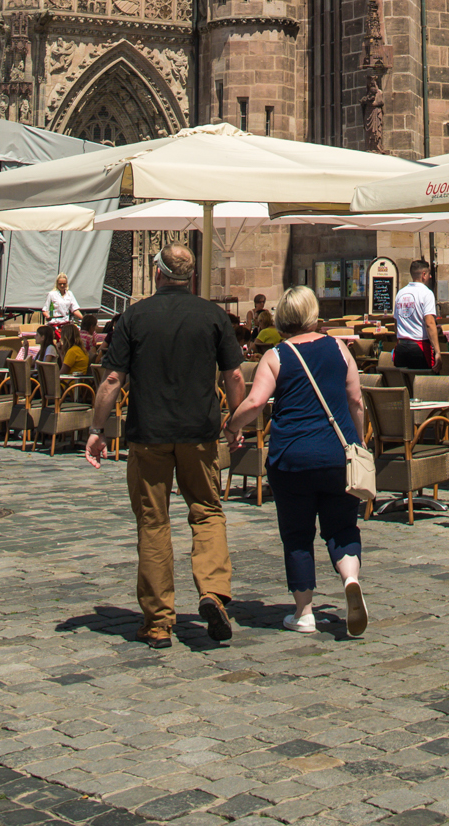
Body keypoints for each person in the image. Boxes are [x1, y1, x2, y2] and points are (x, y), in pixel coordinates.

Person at [86, 243, 245, 648]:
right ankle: (213, 591)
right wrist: (237, 421)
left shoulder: (134, 317)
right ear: (190, 277)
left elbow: (111, 380)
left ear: (157, 272)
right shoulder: (213, 316)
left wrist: (95, 429)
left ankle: (158, 621)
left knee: (153, 523)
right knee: (207, 511)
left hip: (149, 434)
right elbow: (234, 376)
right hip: (199, 433)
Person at [226, 284, 368, 637]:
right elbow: (356, 402)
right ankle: (350, 580)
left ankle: (304, 612)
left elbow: (257, 402)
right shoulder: (339, 348)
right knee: (342, 526)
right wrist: (360, 441)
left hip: (291, 458)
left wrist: (232, 425)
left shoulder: (275, 356)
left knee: (298, 534)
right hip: (338, 454)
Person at [393, 257, 440, 370]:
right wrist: (437, 351)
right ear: (423, 274)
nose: (430, 277)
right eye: (429, 274)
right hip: (419, 346)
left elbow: (395, 322)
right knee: (424, 384)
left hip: (401, 346)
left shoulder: (400, 293)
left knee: (404, 383)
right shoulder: (426, 293)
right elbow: (430, 323)